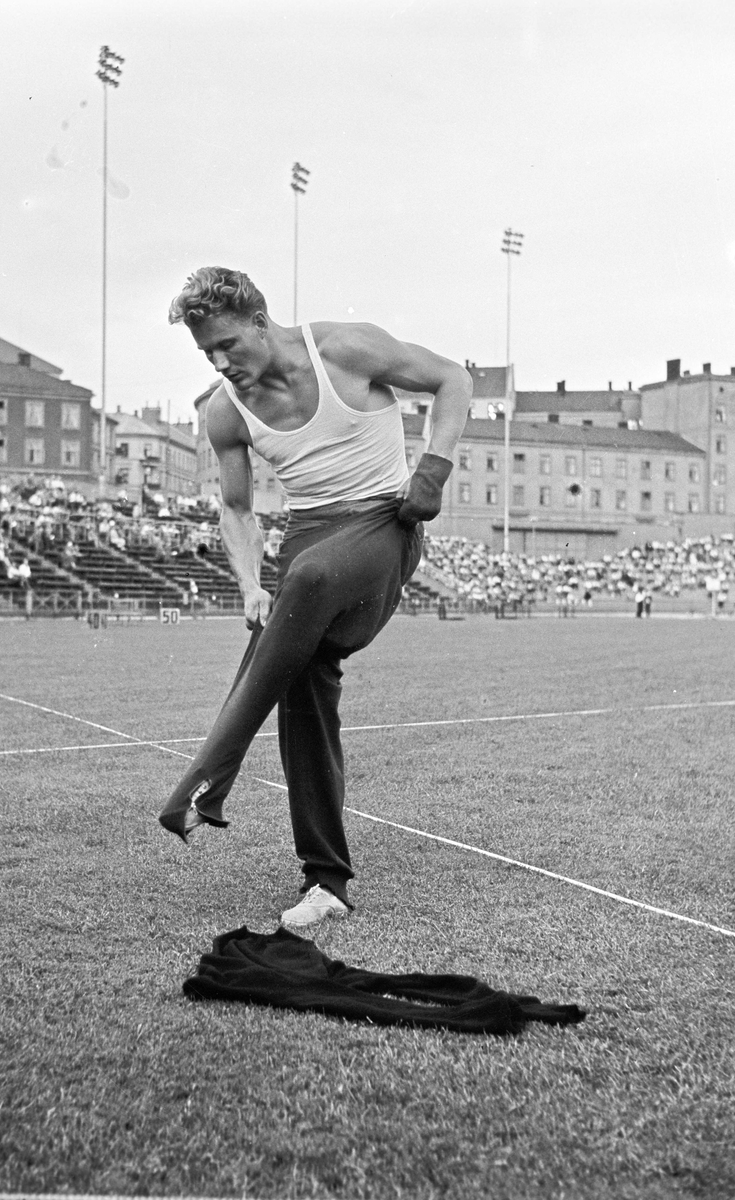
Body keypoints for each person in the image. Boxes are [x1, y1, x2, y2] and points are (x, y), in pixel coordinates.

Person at [156, 266, 472, 928]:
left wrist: (433, 469)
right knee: (304, 691)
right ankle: (325, 882)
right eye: (206, 354)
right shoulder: (224, 410)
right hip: (308, 541)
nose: (220, 363)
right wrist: (247, 585)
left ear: (258, 322)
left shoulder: (345, 350)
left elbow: (453, 378)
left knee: (304, 579)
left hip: (385, 526)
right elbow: (237, 509)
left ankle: (204, 781)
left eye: (227, 346)